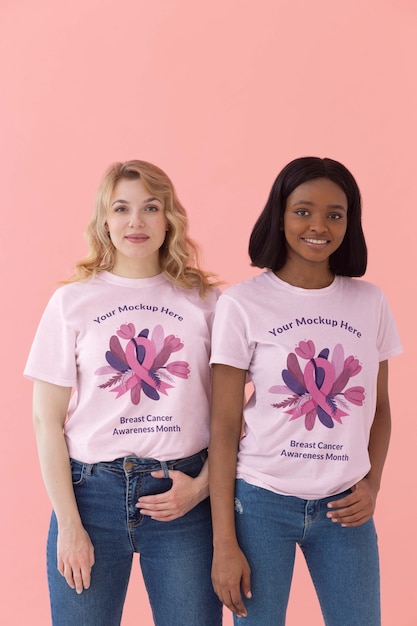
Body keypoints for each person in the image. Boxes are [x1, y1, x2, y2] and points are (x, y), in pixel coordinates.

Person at [24, 160, 223, 626]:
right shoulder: (72, 301)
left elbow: (234, 414)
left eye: (150, 208)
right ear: (104, 220)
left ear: (169, 218)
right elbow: (45, 420)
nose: (136, 222)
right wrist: (69, 527)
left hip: (183, 497)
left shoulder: (206, 302)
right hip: (89, 498)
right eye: (121, 208)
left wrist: (200, 489)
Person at [208, 156, 402, 626]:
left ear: (349, 223)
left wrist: (372, 484)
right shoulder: (242, 303)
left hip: (344, 508)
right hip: (260, 502)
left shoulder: (369, 301)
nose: (319, 225)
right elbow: (224, 426)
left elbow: (379, 410)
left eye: (335, 214)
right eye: (303, 211)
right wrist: (224, 544)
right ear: (279, 215)